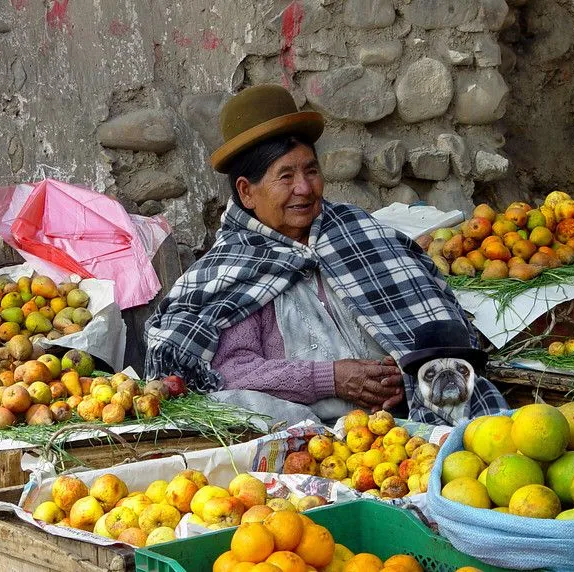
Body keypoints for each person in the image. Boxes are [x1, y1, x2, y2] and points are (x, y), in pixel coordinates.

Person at [145, 84, 507, 426]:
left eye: (311, 171)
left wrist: (408, 373)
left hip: (405, 424)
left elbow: (429, 320)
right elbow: (224, 373)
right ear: (247, 192)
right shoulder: (231, 270)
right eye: (285, 176)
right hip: (309, 437)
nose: (304, 188)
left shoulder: (360, 234)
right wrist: (330, 379)